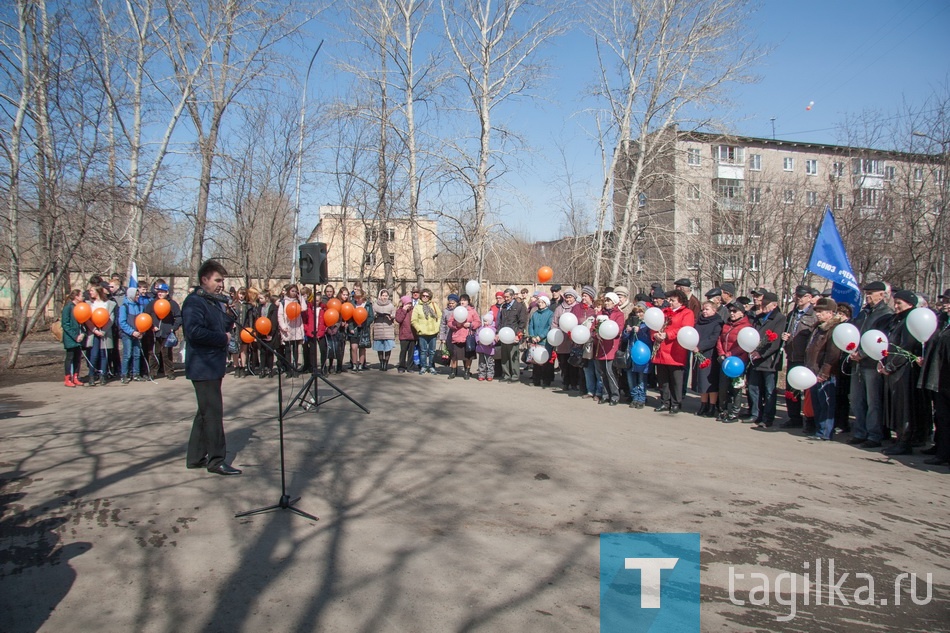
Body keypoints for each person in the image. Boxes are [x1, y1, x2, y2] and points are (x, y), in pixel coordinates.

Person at [182, 259, 241, 475]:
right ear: (204, 279)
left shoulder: (212, 302)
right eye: (218, 280)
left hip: (213, 365)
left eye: (223, 281)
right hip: (202, 366)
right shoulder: (194, 302)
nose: (221, 285)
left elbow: (219, 327)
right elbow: (194, 332)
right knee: (213, 413)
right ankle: (216, 460)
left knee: (204, 412)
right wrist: (222, 338)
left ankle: (195, 457)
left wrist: (228, 317)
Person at [847, 281, 894, 449]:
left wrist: (863, 353)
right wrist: (851, 350)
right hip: (857, 362)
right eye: (866, 292)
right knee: (856, 399)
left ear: (882, 295)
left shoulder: (886, 314)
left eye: (871, 293)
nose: (868, 296)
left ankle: (874, 434)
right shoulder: (862, 314)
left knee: (873, 401)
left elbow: (881, 339)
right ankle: (860, 432)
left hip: (872, 363)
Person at [880, 290, 925, 455]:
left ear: (910, 304)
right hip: (894, 368)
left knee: (904, 406)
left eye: (900, 303)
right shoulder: (897, 320)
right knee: (896, 406)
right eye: (896, 302)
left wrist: (890, 366)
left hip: (904, 370)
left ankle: (905, 440)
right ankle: (899, 437)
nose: (896, 306)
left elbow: (905, 348)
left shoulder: (911, 321)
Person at [804, 298, 846, 440]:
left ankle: (825, 432)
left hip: (825, 373)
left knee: (826, 403)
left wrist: (825, 372)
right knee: (817, 402)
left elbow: (833, 354)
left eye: (820, 311)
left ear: (830, 313)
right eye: (816, 311)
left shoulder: (834, 329)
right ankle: (818, 428)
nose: (817, 314)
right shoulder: (818, 327)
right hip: (813, 370)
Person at [746, 291, 787, 428]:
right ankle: (755, 413)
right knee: (753, 387)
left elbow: (774, 341)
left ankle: (767, 417)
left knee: (769, 390)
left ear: (774, 305)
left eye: (766, 304)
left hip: (769, 360)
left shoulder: (779, 318)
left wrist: (761, 354)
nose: (763, 306)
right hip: (755, 359)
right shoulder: (760, 317)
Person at [652, 289, 696, 414]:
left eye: (672, 300)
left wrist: (667, 335)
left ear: (680, 301)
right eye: (669, 300)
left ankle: (676, 403)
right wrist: (655, 335)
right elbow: (654, 325)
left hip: (675, 350)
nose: (669, 302)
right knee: (663, 379)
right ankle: (665, 402)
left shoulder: (687, 313)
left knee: (676, 380)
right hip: (661, 349)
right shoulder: (664, 312)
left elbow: (684, 329)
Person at [918, 299, 950, 468]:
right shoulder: (941, 323)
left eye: (949, 302)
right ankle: (941, 449)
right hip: (939, 378)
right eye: (944, 301)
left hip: (946, 378)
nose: (945, 304)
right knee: (941, 417)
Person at [780, 286, 818, 429]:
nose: (798, 299)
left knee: (807, 391)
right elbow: (788, 329)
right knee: (791, 389)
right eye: (797, 296)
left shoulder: (813, 315)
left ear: (809, 297)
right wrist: (786, 336)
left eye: (802, 296)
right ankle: (794, 417)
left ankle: (810, 419)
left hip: (806, 358)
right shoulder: (793, 314)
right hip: (792, 355)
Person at [715, 303, 752, 422]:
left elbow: (744, 345)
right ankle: (722, 410)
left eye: (735, 311)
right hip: (725, 361)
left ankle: (735, 412)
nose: (732, 313)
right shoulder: (727, 325)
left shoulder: (746, 327)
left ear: (742, 312)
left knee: (736, 387)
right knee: (722, 386)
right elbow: (720, 340)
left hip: (738, 362)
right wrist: (721, 353)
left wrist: (728, 355)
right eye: (730, 311)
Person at [145, 283, 182, 380]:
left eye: (162, 291)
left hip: (167, 333)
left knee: (167, 354)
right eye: (159, 291)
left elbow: (178, 317)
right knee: (153, 353)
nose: (160, 293)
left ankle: (169, 372)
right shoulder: (152, 303)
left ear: (167, 292)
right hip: (154, 333)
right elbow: (146, 316)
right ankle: (152, 373)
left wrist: (173, 327)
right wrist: (151, 326)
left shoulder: (173, 304)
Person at [692, 301, 723, 417]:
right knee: (701, 381)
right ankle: (703, 404)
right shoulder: (699, 322)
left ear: (714, 310)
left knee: (710, 382)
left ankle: (712, 406)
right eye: (703, 309)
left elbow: (713, 338)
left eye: (707, 309)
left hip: (710, 355)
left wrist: (700, 347)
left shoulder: (717, 322)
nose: (704, 311)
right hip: (698, 354)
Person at [594, 292, 625, 405]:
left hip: (611, 346)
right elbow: (594, 328)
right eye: (605, 301)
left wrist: (609, 332)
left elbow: (619, 329)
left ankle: (615, 395)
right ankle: (605, 394)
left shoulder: (619, 314)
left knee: (610, 372)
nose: (606, 303)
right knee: (602, 373)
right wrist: (596, 334)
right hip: (600, 346)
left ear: (614, 302)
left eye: (609, 301)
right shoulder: (600, 314)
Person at [85, 285, 116, 386]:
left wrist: (103, 331)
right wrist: (94, 330)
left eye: (92, 290)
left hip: (105, 333)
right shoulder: (88, 304)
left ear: (98, 291)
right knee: (94, 355)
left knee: (104, 355)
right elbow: (87, 319)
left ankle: (103, 375)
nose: (90, 293)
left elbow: (110, 319)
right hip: (93, 333)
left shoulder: (109, 304)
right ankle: (91, 375)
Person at [496, 287, 529, 383]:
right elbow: (501, 321)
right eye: (504, 297)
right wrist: (498, 333)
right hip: (504, 335)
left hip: (514, 335)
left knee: (513, 356)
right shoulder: (504, 307)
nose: (506, 299)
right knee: (505, 356)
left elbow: (522, 323)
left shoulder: (519, 306)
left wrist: (518, 335)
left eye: (507, 297)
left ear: (513, 296)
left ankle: (515, 376)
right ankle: (506, 375)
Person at [446, 293, 481, 379]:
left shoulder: (472, 311)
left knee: (468, 356)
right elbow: (449, 323)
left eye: (464, 300)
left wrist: (470, 324)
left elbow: (478, 322)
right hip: (456, 336)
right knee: (454, 356)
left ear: (468, 302)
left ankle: (467, 372)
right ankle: (453, 371)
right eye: (461, 300)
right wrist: (456, 325)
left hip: (468, 337)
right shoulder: (456, 311)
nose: (462, 302)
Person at [118, 286, 146, 384]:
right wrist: (132, 332)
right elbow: (122, 322)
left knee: (137, 354)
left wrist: (141, 332)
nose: (138, 296)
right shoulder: (124, 307)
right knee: (127, 354)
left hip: (138, 334)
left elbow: (142, 320)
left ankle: (136, 374)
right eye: (136, 294)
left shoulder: (139, 306)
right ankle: (124, 375)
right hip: (127, 334)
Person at [278, 283, 307, 377]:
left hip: (297, 327)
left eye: (295, 291)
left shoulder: (298, 301)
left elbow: (304, 308)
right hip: (287, 328)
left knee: (295, 349)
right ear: (288, 291)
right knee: (287, 350)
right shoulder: (283, 302)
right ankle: (288, 370)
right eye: (292, 291)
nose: (294, 293)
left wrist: (301, 297)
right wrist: (283, 326)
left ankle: (295, 369)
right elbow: (280, 315)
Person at [411, 288, 442, 374]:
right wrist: (419, 329)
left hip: (433, 332)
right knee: (423, 351)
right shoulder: (417, 307)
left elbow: (439, 316)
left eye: (427, 296)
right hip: (422, 333)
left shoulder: (434, 305)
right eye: (423, 296)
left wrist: (437, 327)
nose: (425, 297)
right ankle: (423, 366)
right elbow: (414, 320)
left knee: (432, 351)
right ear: (421, 296)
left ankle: (431, 366)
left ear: (429, 297)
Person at [527, 295, 555, 387]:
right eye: (539, 302)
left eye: (542, 302)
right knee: (536, 361)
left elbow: (549, 326)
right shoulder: (535, 313)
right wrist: (532, 336)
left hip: (544, 341)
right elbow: (531, 325)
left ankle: (546, 380)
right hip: (535, 340)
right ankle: (536, 380)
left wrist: (541, 336)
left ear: (546, 304)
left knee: (545, 361)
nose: (540, 304)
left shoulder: (550, 314)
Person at [61, 290, 85, 387]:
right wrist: (75, 336)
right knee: (70, 357)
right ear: (76, 297)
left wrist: (83, 333)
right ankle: (68, 378)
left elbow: (82, 322)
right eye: (81, 295)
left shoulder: (80, 307)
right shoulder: (68, 307)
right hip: (71, 338)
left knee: (77, 358)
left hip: (79, 338)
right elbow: (65, 324)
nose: (83, 297)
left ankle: (75, 377)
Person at [346, 288, 373, 371]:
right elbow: (349, 317)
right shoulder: (352, 304)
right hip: (354, 328)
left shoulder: (368, 305)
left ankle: (361, 364)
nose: (357, 299)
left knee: (362, 347)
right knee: (354, 347)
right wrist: (350, 327)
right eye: (355, 298)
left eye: (358, 298)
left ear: (362, 297)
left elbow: (371, 317)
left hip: (364, 329)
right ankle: (354, 364)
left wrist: (364, 324)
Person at [371, 289, 396, 371]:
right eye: (383, 295)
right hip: (378, 328)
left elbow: (394, 315)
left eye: (386, 296)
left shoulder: (391, 305)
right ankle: (381, 362)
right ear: (380, 296)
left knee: (388, 347)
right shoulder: (375, 305)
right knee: (380, 347)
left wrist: (391, 316)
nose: (384, 297)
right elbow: (372, 315)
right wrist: (375, 315)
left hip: (388, 328)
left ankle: (386, 363)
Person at [394, 294, 416, 373]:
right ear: (403, 304)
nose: (409, 305)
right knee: (403, 351)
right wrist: (403, 310)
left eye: (410, 303)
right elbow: (398, 320)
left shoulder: (413, 310)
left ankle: (410, 367)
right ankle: (401, 366)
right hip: (404, 335)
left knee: (411, 352)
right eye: (407, 303)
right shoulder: (399, 310)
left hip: (413, 335)